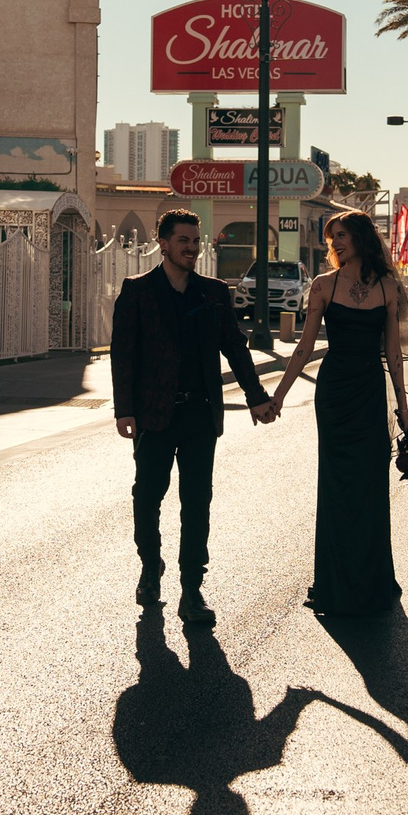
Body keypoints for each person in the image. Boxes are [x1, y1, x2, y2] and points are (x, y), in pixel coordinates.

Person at [112, 208, 274, 625]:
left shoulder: (214, 292)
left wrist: (256, 397)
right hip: (153, 415)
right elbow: (123, 355)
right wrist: (124, 409)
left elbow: (235, 348)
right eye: (183, 240)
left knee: (197, 502)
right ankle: (151, 567)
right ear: (163, 244)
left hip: (201, 414)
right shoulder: (138, 291)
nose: (191, 247)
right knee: (147, 496)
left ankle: (192, 589)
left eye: (195, 240)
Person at [266, 209, 408, 616]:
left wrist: (403, 408)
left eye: (342, 235)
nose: (335, 243)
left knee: (369, 484)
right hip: (333, 397)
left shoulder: (388, 287)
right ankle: (333, 582)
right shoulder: (323, 285)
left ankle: (372, 579)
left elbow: (394, 353)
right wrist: (278, 397)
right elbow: (303, 347)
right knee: (336, 486)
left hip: (369, 392)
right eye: (332, 237)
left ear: (363, 238)